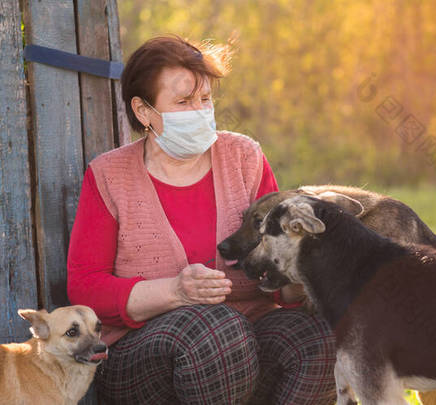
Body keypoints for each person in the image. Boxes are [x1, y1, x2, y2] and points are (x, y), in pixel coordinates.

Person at [67, 36, 336, 405]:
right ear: (144, 111)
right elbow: (85, 286)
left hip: (247, 339)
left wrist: (308, 275)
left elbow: (280, 266)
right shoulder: (109, 175)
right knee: (217, 328)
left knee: (321, 336)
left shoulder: (245, 157)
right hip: (143, 357)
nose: (199, 110)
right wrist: (175, 292)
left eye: (205, 99)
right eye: (183, 101)